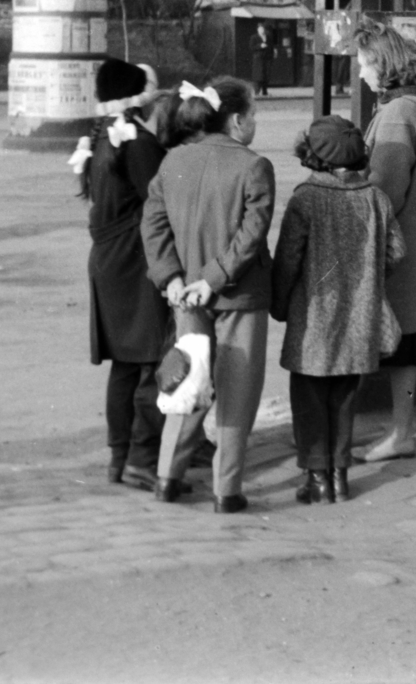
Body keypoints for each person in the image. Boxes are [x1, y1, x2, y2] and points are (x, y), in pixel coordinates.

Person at [142, 77, 273, 513]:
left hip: (186, 296)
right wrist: (215, 278)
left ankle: (167, 476)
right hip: (239, 296)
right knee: (238, 393)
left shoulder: (173, 161)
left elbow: (153, 225)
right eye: (253, 114)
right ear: (236, 120)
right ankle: (226, 489)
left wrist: (171, 279)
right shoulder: (255, 166)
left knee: (188, 381)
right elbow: (251, 236)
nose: (254, 122)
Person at [272, 116, 406, 505]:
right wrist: (370, 278)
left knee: (309, 395)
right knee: (346, 396)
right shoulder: (375, 198)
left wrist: (279, 304)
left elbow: (287, 260)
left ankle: (317, 477)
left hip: (313, 318)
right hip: (359, 318)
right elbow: (397, 251)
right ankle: (340, 476)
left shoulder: (306, 198)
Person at [71, 58, 171, 491]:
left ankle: (120, 457)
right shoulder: (137, 143)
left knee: (126, 366)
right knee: (151, 360)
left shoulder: (98, 138)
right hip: (135, 261)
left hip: (110, 261)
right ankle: (142, 460)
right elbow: (161, 201)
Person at [353, 22, 416, 463]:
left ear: (383, 63)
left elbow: (384, 190)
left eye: (364, 64)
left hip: (393, 250)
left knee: (388, 338)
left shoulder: (396, 114)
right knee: (407, 341)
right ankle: (401, 430)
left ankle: (388, 431)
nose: (360, 73)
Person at [249, 23, 273, 97]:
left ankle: (265, 91)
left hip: (267, 58)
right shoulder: (254, 37)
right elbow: (251, 47)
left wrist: (272, 54)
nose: (262, 30)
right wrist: (260, 46)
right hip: (258, 59)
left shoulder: (268, 37)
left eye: (263, 29)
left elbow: (271, 46)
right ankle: (257, 91)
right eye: (260, 29)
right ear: (257, 30)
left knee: (266, 75)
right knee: (258, 75)